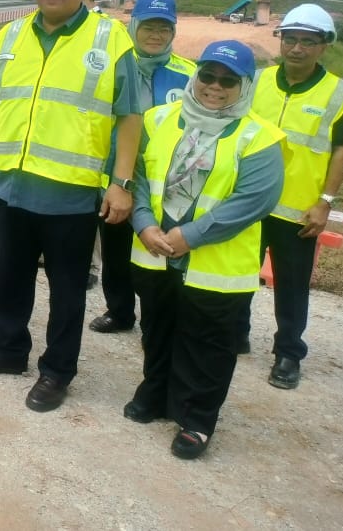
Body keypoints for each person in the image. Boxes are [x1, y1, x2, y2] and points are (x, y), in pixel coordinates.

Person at [0, 0, 143, 413]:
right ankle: (8, 349)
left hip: (71, 195)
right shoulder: (10, 36)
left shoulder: (111, 40)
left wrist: (121, 182)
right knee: (9, 274)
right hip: (9, 187)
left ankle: (57, 371)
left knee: (68, 288)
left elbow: (130, 117)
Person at [125, 41, 284, 460]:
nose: (216, 86)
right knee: (157, 330)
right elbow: (139, 176)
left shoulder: (259, 137)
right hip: (157, 251)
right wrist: (143, 223)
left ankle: (196, 421)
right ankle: (155, 394)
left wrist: (190, 236)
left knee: (208, 345)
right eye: (208, 76)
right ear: (196, 77)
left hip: (215, 265)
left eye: (228, 80)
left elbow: (253, 201)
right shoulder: (160, 119)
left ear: (244, 86)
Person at [240, 4, 343, 388]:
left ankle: (288, 353)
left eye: (308, 41)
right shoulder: (255, 81)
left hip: (298, 211)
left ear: (324, 47)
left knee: (290, 287)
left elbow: (341, 151)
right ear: (281, 41)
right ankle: (235, 333)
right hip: (249, 202)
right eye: (291, 39)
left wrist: (325, 202)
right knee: (236, 274)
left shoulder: (341, 94)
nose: (297, 48)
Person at [90, 0, 195, 334]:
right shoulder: (115, 66)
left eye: (164, 29)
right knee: (116, 247)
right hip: (117, 174)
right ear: (133, 26)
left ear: (173, 32)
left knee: (160, 250)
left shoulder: (190, 75)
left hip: (166, 181)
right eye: (148, 26)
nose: (155, 35)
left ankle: (161, 317)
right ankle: (119, 311)